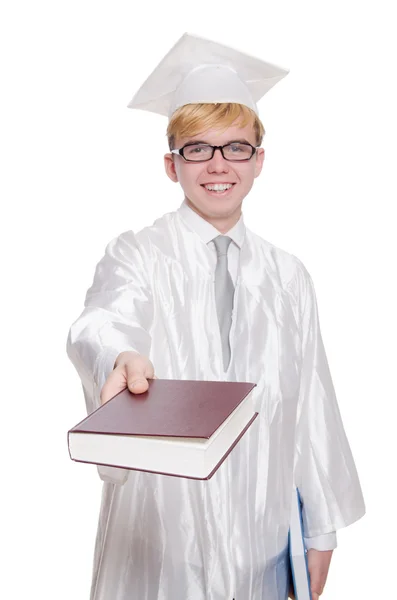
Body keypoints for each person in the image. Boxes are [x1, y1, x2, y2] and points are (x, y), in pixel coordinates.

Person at [67, 33, 365, 600]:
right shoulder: (138, 254)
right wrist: (120, 356)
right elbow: (101, 321)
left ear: (259, 161)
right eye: (198, 149)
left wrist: (322, 529)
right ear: (170, 165)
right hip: (161, 540)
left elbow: (311, 409)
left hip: (263, 538)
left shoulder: (289, 276)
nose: (218, 165)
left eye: (236, 148)